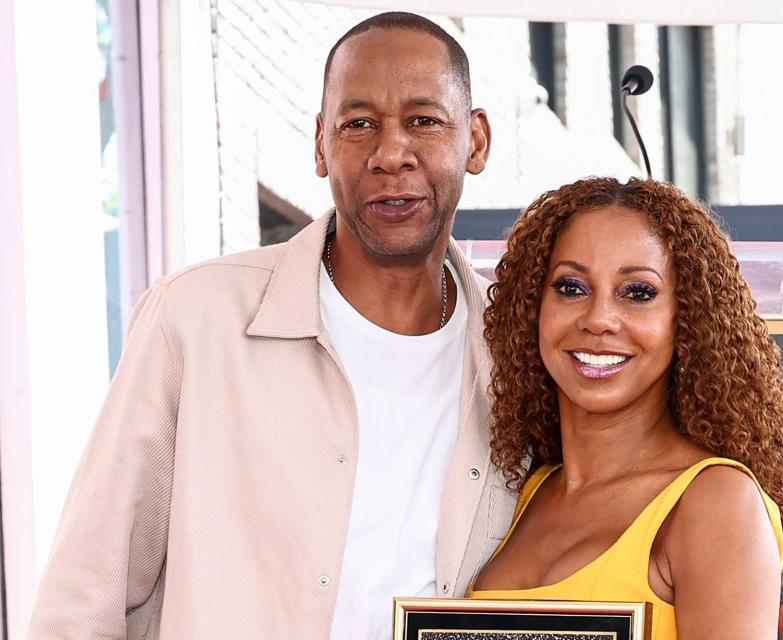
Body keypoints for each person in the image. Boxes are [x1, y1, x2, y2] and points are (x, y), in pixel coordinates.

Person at [28, 12, 516, 640]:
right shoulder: (196, 318)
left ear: (475, 140)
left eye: (424, 121)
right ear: (320, 144)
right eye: (358, 123)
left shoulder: (516, 359)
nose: (391, 154)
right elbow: (84, 597)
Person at [471, 177, 783, 639]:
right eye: (571, 287)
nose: (598, 319)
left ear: (687, 319)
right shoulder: (527, 488)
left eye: (637, 293)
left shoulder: (715, 503)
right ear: (532, 307)